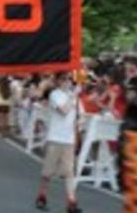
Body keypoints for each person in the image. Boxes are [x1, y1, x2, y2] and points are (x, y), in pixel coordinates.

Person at [35, 73, 82, 213]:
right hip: (55, 137)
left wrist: (78, 127)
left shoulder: (74, 96)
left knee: (69, 172)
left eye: (68, 79)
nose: (67, 82)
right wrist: (73, 97)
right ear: (58, 81)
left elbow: (77, 116)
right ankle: (42, 195)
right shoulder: (54, 95)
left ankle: (71, 201)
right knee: (48, 172)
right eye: (63, 79)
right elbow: (64, 111)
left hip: (68, 139)